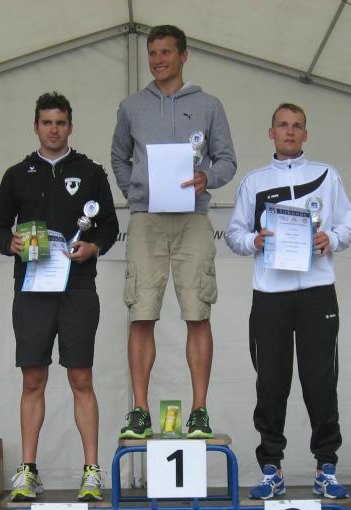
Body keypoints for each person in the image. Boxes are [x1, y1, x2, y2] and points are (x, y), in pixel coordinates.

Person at [0, 92, 118, 502]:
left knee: (81, 378)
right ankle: (27, 471)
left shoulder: (91, 172)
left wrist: (93, 247)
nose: (54, 129)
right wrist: (10, 243)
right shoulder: (16, 174)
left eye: (60, 123)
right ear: (36, 127)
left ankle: (91, 472)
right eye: (47, 122)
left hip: (77, 289)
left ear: (70, 127)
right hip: (32, 289)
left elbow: (109, 227)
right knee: (33, 379)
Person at [111, 24, 237, 440]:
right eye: (152, 53)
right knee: (141, 313)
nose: (158, 60)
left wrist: (206, 178)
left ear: (183, 56)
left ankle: (199, 411)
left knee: (198, 312)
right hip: (146, 219)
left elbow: (227, 161)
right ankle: (140, 412)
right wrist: (135, 191)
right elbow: (118, 157)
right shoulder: (131, 107)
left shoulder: (209, 105)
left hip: (192, 218)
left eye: (166, 52)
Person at [225, 102, 351, 499]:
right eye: (283, 125)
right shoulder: (254, 182)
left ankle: (326, 468)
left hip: (318, 293)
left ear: (305, 133)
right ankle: (272, 469)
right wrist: (255, 240)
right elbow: (234, 234)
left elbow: (347, 225)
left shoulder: (327, 175)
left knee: (321, 382)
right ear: (271, 133)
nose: (290, 131)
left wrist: (331, 239)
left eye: (297, 125)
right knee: (271, 383)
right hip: (271, 296)